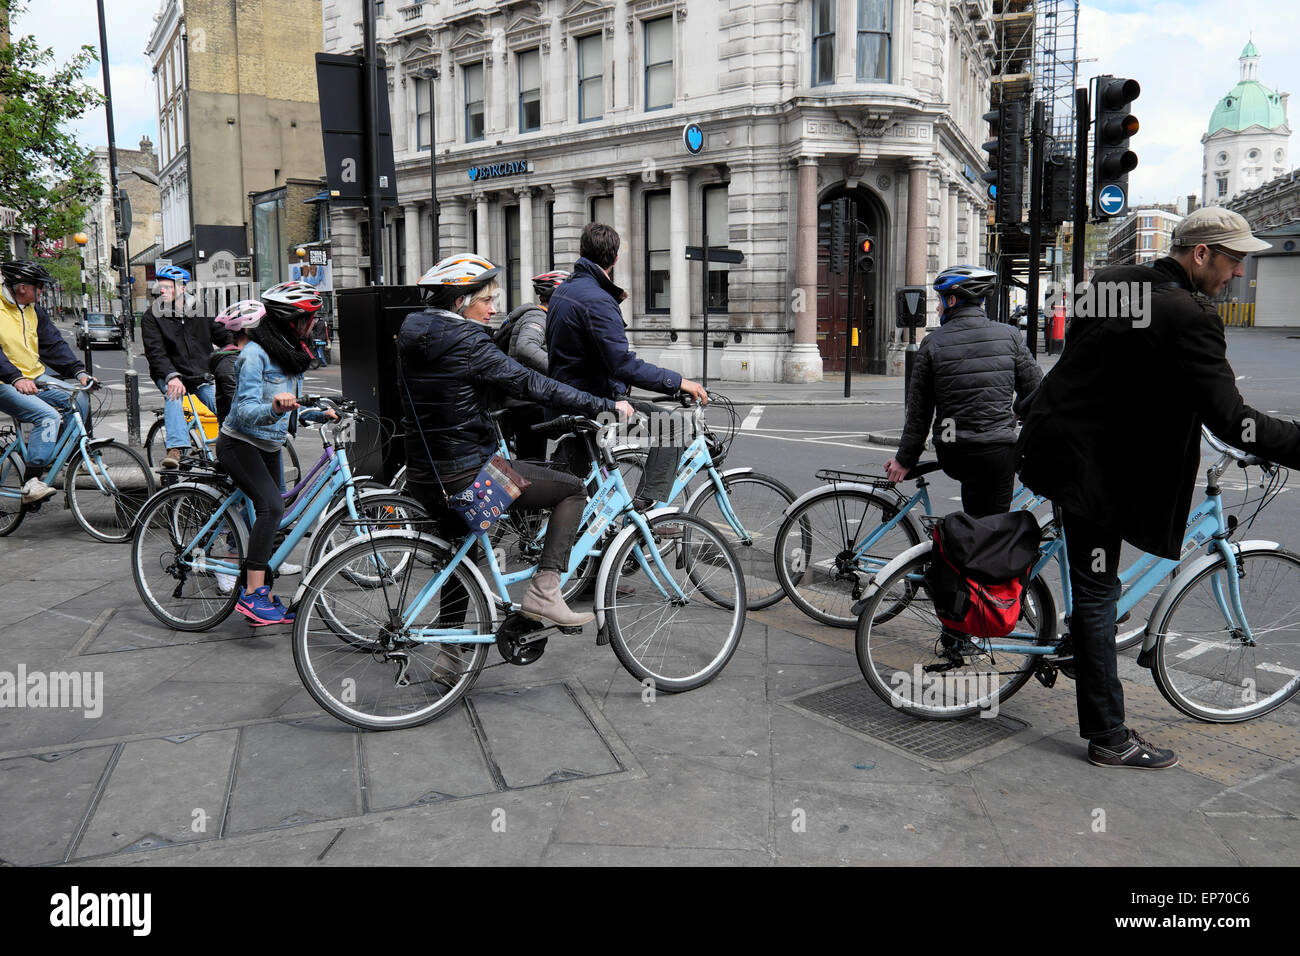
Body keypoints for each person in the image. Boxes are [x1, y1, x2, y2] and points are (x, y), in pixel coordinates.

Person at [1016, 206, 1300, 769]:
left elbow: (1107, 371)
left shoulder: (1111, 288)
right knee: (1097, 599)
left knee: (1092, 592)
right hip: (1094, 469)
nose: (1237, 274)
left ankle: (1083, 650)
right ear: (1201, 254)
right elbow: (1230, 418)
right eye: (1234, 260)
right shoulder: (1188, 315)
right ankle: (1108, 737)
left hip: (1060, 446)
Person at [397, 253, 633, 628]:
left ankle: (449, 656)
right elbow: (531, 383)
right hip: (468, 476)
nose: (494, 310)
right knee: (571, 490)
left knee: (463, 556)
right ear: (460, 301)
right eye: (486, 300)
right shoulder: (468, 342)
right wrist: (603, 404)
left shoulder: (414, 335)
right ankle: (544, 595)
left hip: (426, 475)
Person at [546, 223, 707, 504]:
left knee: (577, 488)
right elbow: (623, 364)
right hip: (593, 408)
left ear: (582, 251)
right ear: (615, 258)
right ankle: (645, 516)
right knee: (673, 427)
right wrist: (679, 382)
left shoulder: (564, 291)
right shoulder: (597, 300)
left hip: (568, 400)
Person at [217, 281, 334, 626]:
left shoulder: (290, 353)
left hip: (269, 444)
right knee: (271, 506)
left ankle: (264, 591)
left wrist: (318, 413)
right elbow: (241, 412)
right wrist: (274, 407)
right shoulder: (255, 354)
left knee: (275, 515)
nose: (314, 326)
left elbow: (292, 407)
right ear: (292, 320)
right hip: (240, 443)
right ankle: (253, 594)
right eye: (310, 319)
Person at [885, 265, 1043, 517]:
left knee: (977, 518)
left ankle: (968, 546)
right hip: (998, 451)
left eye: (939, 300)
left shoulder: (932, 343)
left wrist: (905, 460)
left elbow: (919, 413)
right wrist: (1015, 416)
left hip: (954, 452)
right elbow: (1036, 393)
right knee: (994, 528)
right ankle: (981, 549)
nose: (937, 307)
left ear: (952, 300)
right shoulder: (1010, 335)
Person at [0, 260, 95, 504]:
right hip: (4, 383)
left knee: (79, 398)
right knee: (47, 417)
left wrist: (78, 372)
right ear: (22, 287)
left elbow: (53, 344)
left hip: (34, 377)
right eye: (39, 287)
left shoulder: (32, 309)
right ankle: (32, 482)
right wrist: (15, 377)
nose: (42, 291)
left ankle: (69, 457)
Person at [140, 264, 227, 469]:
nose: (161, 290)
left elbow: (223, 336)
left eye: (167, 286)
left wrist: (240, 347)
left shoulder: (201, 310)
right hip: (169, 374)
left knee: (221, 400)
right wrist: (171, 376)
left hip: (200, 374)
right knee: (174, 394)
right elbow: (156, 352)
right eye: (160, 286)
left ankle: (237, 439)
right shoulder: (151, 316)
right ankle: (176, 448)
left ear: (182, 288)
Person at [493, 271, 569, 460]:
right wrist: (559, 371)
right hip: (526, 402)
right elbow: (525, 347)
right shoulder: (537, 317)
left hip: (529, 397)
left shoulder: (546, 317)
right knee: (533, 464)